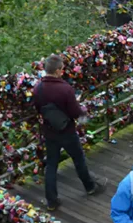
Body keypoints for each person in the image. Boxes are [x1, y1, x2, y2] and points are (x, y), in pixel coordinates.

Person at [33, 54, 105, 211]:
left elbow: (39, 109)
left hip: (50, 132)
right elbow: (74, 112)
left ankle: (51, 200)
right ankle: (90, 186)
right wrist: (82, 111)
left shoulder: (38, 89)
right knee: (78, 158)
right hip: (67, 131)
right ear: (58, 70)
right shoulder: (65, 89)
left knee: (51, 164)